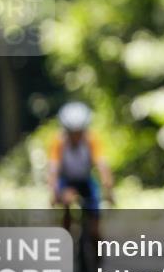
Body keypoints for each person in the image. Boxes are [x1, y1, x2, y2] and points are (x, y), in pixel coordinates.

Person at [49, 102, 115, 239]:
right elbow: (53, 170)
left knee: (94, 214)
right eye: (72, 132)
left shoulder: (91, 141)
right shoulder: (59, 143)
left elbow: (102, 166)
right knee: (66, 206)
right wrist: (54, 193)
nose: (76, 136)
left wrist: (108, 189)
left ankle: (96, 243)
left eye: (79, 132)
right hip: (67, 181)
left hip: (86, 180)